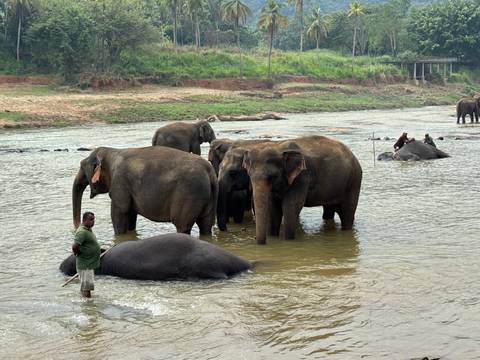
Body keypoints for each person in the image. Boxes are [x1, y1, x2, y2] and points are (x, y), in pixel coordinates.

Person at [72, 211, 100, 298]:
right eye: (91, 219)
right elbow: (75, 247)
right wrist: (79, 253)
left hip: (88, 264)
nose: (93, 221)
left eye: (93, 219)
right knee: (86, 288)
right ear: (85, 220)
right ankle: (88, 306)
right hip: (85, 265)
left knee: (85, 286)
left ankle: (84, 303)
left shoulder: (87, 230)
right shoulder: (82, 232)